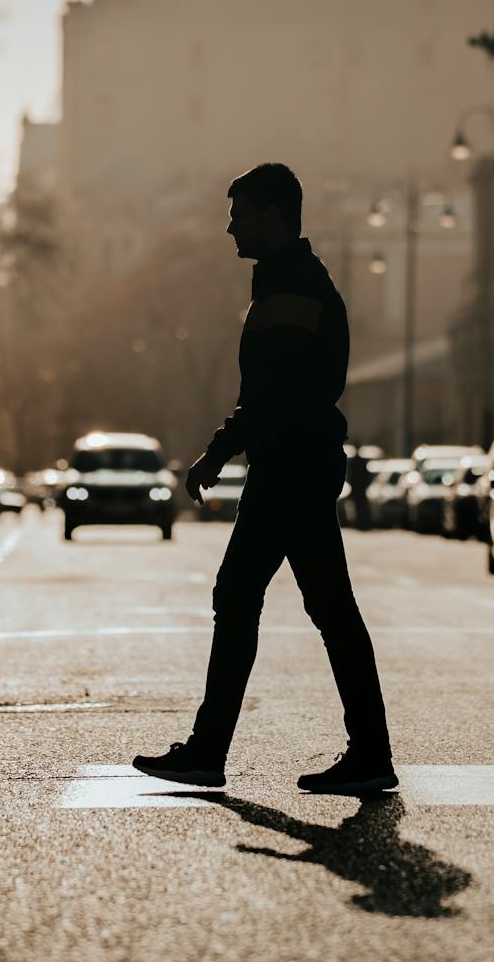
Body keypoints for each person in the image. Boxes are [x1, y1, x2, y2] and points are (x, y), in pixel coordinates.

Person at [133, 163, 395, 794]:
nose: (230, 228)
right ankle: (368, 753)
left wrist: (218, 451)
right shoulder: (289, 283)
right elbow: (277, 390)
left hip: (290, 468)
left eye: (240, 214)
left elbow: (276, 392)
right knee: (327, 609)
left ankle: (209, 751)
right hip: (298, 464)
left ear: (272, 217)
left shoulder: (292, 290)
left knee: (240, 595)